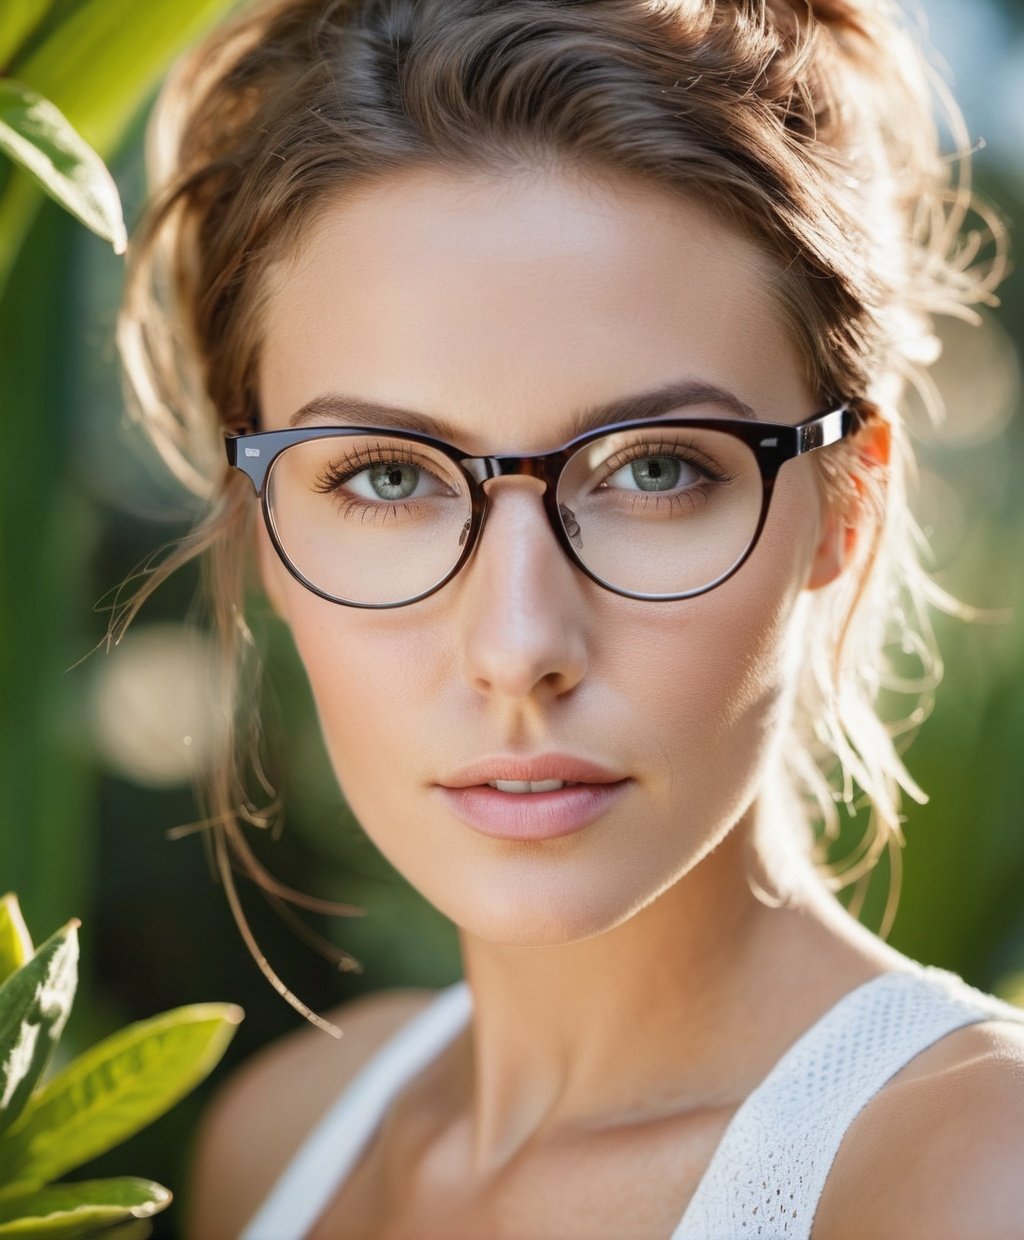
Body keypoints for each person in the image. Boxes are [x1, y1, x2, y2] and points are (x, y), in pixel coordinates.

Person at [114, 0, 1024, 1236]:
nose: (519, 646)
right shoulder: (280, 1147)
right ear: (259, 525)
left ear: (844, 504)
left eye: (654, 469)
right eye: (386, 477)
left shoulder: (972, 1174)